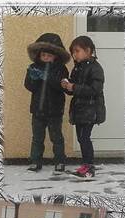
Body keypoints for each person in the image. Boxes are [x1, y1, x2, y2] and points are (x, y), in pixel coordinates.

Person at [24, 33, 70, 173]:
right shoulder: (33, 67)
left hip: (55, 111)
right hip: (37, 110)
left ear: (55, 56)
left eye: (49, 56)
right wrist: (33, 78)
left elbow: (61, 86)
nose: (46, 58)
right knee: (37, 138)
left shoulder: (61, 69)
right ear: (39, 55)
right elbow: (29, 86)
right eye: (43, 55)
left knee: (56, 137)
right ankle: (35, 161)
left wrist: (47, 78)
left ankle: (60, 161)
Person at [62, 36, 106, 179]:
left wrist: (73, 86)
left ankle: (89, 167)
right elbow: (74, 89)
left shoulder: (95, 68)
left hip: (91, 110)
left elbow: (95, 89)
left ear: (88, 51)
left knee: (85, 137)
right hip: (80, 110)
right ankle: (86, 165)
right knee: (81, 138)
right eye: (73, 52)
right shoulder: (77, 68)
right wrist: (67, 86)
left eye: (77, 51)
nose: (74, 54)